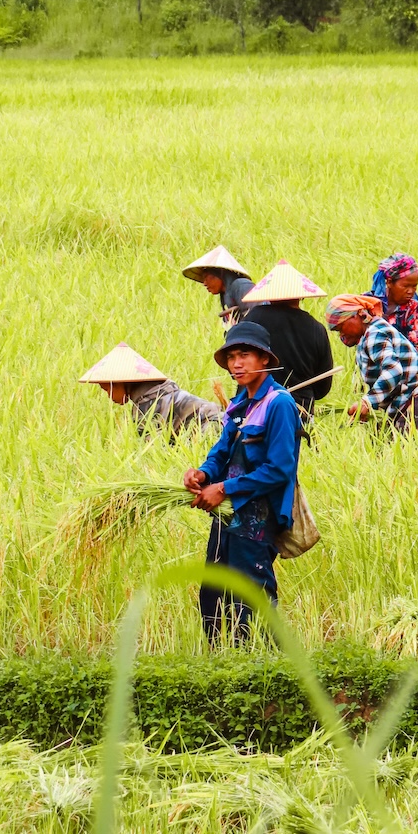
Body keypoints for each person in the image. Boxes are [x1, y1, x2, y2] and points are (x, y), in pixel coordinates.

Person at [183, 321, 301, 645]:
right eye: (232, 356)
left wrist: (222, 488)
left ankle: (266, 674)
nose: (237, 363)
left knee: (251, 598)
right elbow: (221, 452)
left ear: (265, 358)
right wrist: (203, 474)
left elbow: (279, 469)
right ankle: (223, 669)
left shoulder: (279, 404)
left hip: (258, 520)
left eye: (245, 354)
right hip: (227, 516)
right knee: (213, 597)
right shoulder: (238, 405)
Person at [325, 295, 418, 438]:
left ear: (358, 314)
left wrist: (366, 402)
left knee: (414, 457)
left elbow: (393, 370)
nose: (342, 335)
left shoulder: (374, 334)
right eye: (337, 332)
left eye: (342, 327)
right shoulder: (374, 330)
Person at [242, 260, 335, 418]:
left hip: (255, 407)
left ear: (268, 294)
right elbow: (322, 386)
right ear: (301, 296)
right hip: (299, 410)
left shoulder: (253, 318)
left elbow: (237, 365)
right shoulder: (316, 328)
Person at [79, 342, 221, 436]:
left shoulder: (147, 407)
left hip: (213, 433)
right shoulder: (162, 391)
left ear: (119, 383)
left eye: (108, 390)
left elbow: (152, 449)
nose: (109, 396)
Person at [183, 245, 255, 325]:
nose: (205, 283)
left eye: (206, 277)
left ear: (219, 274)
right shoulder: (224, 295)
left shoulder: (241, 286)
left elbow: (257, 314)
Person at [367, 253, 418, 348]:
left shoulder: (414, 308)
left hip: (401, 361)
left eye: (414, 286)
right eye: (405, 286)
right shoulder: (368, 303)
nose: (411, 291)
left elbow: (414, 345)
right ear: (389, 282)